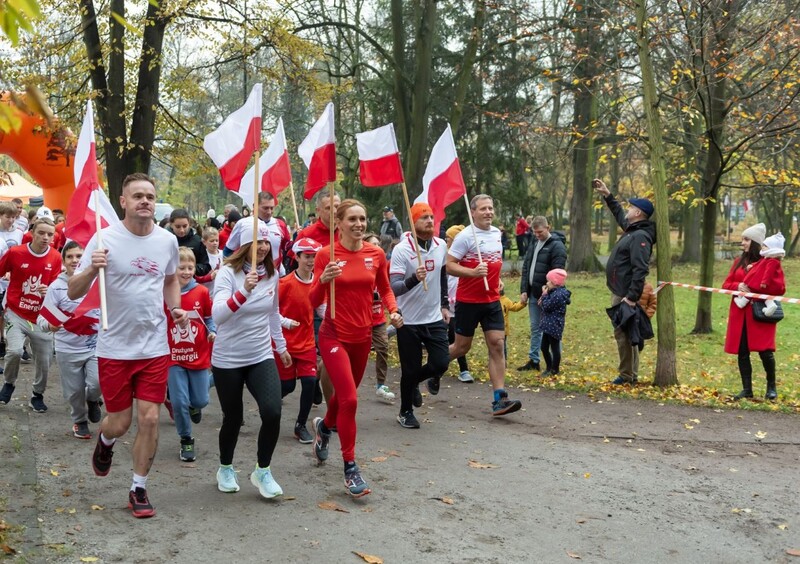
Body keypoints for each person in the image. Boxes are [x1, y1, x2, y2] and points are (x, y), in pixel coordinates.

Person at [68, 172, 187, 519]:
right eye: (137, 196)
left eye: (149, 196)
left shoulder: (167, 241)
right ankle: (106, 441)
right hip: (114, 348)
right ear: (123, 201)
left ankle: (139, 488)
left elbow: (170, 280)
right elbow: (74, 291)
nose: (145, 201)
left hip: (154, 347)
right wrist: (92, 269)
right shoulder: (104, 238)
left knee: (149, 418)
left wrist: (175, 308)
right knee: (119, 423)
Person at [309, 199, 403, 497]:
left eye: (362, 218)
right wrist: (323, 280)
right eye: (352, 219)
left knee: (341, 399)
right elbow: (312, 301)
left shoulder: (376, 254)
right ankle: (350, 468)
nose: (359, 224)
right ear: (338, 223)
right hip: (333, 335)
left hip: (363, 337)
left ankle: (324, 428)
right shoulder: (326, 255)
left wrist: (393, 310)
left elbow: (385, 288)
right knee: (350, 399)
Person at [211, 217, 291, 498]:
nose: (264, 247)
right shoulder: (227, 274)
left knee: (273, 412)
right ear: (244, 245)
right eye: (257, 242)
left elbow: (273, 312)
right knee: (234, 419)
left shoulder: (273, 274)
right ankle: (225, 467)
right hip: (228, 359)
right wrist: (244, 290)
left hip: (260, 354)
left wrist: (281, 347)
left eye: (267, 242)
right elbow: (218, 315)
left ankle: (263, 471)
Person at [447, 195, 522, 416]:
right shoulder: (464, 236)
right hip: (468, 301)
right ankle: (434, 368)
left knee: (497, 344)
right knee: (461, 348)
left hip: (491, 300)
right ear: (473, 212)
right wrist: (472, 273)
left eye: (490, 208)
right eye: (483, 209)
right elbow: (449, 266)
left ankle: (500, 399)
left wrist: (497, 279)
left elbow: (494, 264)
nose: (488, 212)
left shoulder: (497, 233)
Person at [390, 203, 450, 429]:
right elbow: (394, 287)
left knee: (441, 363)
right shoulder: (402, 250)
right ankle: (405, 412)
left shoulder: (441, 245)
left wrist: (445, 304)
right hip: (408, 320)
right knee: (410, 368)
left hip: (433, 317)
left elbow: (442, 275)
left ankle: (413, 382)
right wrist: (414, 278)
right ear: (413, 223)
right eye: (424, 218)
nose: (430, 221)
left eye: (431, 217)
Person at [593, 179, 655, 385]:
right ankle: (630, 374)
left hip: (625, 294)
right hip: (621, 290)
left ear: (637, 213)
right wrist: (608, 195)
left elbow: (640, 269)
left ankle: (627, 375)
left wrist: (631, 297)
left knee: (622, 333)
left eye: (631, 207)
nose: (627, 209)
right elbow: (620, 214)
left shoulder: (640, 236)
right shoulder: (633, 230)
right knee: (628, 333)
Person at [37, 241, 102, 438]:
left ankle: (92, 399)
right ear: (63, 261)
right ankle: (79, 421)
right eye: (70, 257)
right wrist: (49, 326)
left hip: (95, 347)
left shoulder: (98, 282)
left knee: (97, 383)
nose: (75, 260)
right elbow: (42, 318)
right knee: (74, 392)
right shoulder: (56, 287)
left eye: (79, 256)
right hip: (67, 349)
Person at [0, 217, 62, 410]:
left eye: (50, 234)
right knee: (15, 351)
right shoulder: (15, 252)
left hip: (40, 317)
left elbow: (56, 287)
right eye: (41, 233)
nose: (45, 237)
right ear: (32, 233)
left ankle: (37, 395)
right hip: (16, 312)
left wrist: (48, 290)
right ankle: (9, 383)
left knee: (44, 360)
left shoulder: (55, 257)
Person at [722, 225, 785, 400]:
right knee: (742, 351)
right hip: (739, 313)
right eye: (742, 239)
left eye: (746, 239)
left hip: (760, 313)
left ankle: (771, 388)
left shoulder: (770, 261)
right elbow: (726, 284)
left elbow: (779, 287)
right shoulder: (738, 262)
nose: (742, 243)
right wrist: (738, 286)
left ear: (756, 242)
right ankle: (746, 389)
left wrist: (759, 287)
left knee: (765, 351)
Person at [167, 247, 215, 462]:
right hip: (173, 357)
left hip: (198, 355)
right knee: (179, 402)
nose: (186, 272)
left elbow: (209, 318)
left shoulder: (202, 292)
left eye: (190, 267)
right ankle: (186, 439)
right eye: (182, 268)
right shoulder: (165, 293)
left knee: (201, 400)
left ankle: (196, 406)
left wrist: (212, 331)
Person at [277, 237, 323, 443]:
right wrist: (285, 322)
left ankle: (300, 425)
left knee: (310, 382)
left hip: (307, 344)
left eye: (314, 257)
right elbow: (270, 313)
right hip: (285, 345)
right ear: (296, 257)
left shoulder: (318, 282)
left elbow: (322, 307)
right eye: (307, 257)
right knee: (287, 386)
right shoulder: (284, 283)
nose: (311, 261)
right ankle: (269, 400)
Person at [517, 216, 567, 372]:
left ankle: (554, 365)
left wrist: (548, 290)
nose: (537, 235)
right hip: (533, 293)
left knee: (551, 331)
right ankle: (534, 360)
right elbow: (526, 267)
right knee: (535, 327)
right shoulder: (533, 242)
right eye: (534, 232)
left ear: (548, 228)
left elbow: (558, 274)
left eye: (540, 232)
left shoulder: (557, 246)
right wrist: (524, 290)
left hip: (550, 296)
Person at [363, 233, 395, 403]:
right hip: (360, 319)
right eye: (372, 244)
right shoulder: (359, 266)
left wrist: (393, 309)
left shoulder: (382, 264)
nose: (376, 247)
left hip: (378, 318)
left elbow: (388, 288)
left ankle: (381, 385)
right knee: (358, 354)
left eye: (378, 244)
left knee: (383, 348)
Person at [444, 225, 473, 383]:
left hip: (462, 302)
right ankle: (440, 366)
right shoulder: (446, 256)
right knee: (450, 336)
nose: (446, 240)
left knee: (457, 338)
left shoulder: (465, 257)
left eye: (448, 237)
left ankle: (463, 369)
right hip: (446, 304)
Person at [0, 201, 24, 362]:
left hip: (12, 280)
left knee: (8, 313)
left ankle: (14, 342)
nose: (10, 220)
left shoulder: (19, 233)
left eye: (13, 217)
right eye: (7, 217)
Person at [538, 269, 571, 376]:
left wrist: (544, 295)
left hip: (554, 325)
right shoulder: (554, 292)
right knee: (544, 347)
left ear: (555, 282)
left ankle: (554, 369)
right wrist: (545, 295)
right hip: (548, 324)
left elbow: (547, 306)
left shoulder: (558, 295)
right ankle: (549, 366)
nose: (547, 283)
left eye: (549, 281)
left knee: (554, 348)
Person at [168, 209, 211, 277]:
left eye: (185, 226)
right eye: (178, 227)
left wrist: (190, 268)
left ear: (189, 224)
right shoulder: (165, 240)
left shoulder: (197, 241)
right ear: (171, 225)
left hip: (191, 280)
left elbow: (206, 266)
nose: (182, 230)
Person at [498, 280, 525, 361]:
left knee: (502, 346)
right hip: (492, 328)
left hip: (503, 329)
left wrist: (522, 303)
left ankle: (503, 362)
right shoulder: (490, 300)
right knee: (493, 346)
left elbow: (514, 307)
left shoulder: (506, 300)